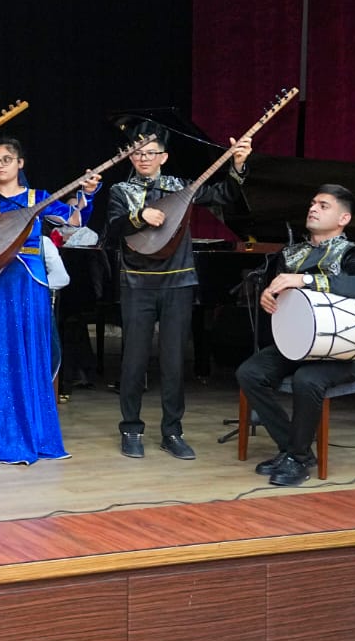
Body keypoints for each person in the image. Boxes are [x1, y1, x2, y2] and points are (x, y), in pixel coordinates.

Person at [105, 126, 252, 460]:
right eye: (138, 153)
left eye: (151, 153)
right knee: (134, 360)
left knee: (173, 362)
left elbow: (224, 194)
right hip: (137, 282)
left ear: (164, 157)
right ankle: (131, 428)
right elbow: (113, 228)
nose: (144, 158)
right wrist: (139, 215)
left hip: (178, 282)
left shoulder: (181, 187)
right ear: (131, 157)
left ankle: (172, 431)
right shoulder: (120, 190)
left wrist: (238, 165)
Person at [0, 137, 97, 464]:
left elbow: (75, 220)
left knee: (26, 351)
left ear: (20, 164)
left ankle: (32, 433)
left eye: (7, 159)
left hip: (27, 283)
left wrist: (87, 195)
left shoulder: (38, 198)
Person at [236, 186, 355, 487]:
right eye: (313, 203)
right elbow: (285, 296)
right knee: (250, 373)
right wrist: (269, 295)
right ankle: (293, 448)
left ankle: (297, 459)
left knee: (307, 379)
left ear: (343, 219)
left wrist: (307, 279)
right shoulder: (292, 253)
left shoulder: (351, 253)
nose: (313, 208)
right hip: (301, 345)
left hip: (346, 352)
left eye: (324, 206)